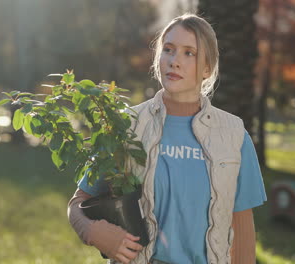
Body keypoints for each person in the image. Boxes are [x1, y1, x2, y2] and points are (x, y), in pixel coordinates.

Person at [68, 13, 267, 264]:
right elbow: (78, 204)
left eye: (189, 53)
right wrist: (93, 232)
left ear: (207, 68)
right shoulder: (124, 125)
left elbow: (243, 230)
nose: (174, 61)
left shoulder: (234, 135)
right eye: (169, 50)